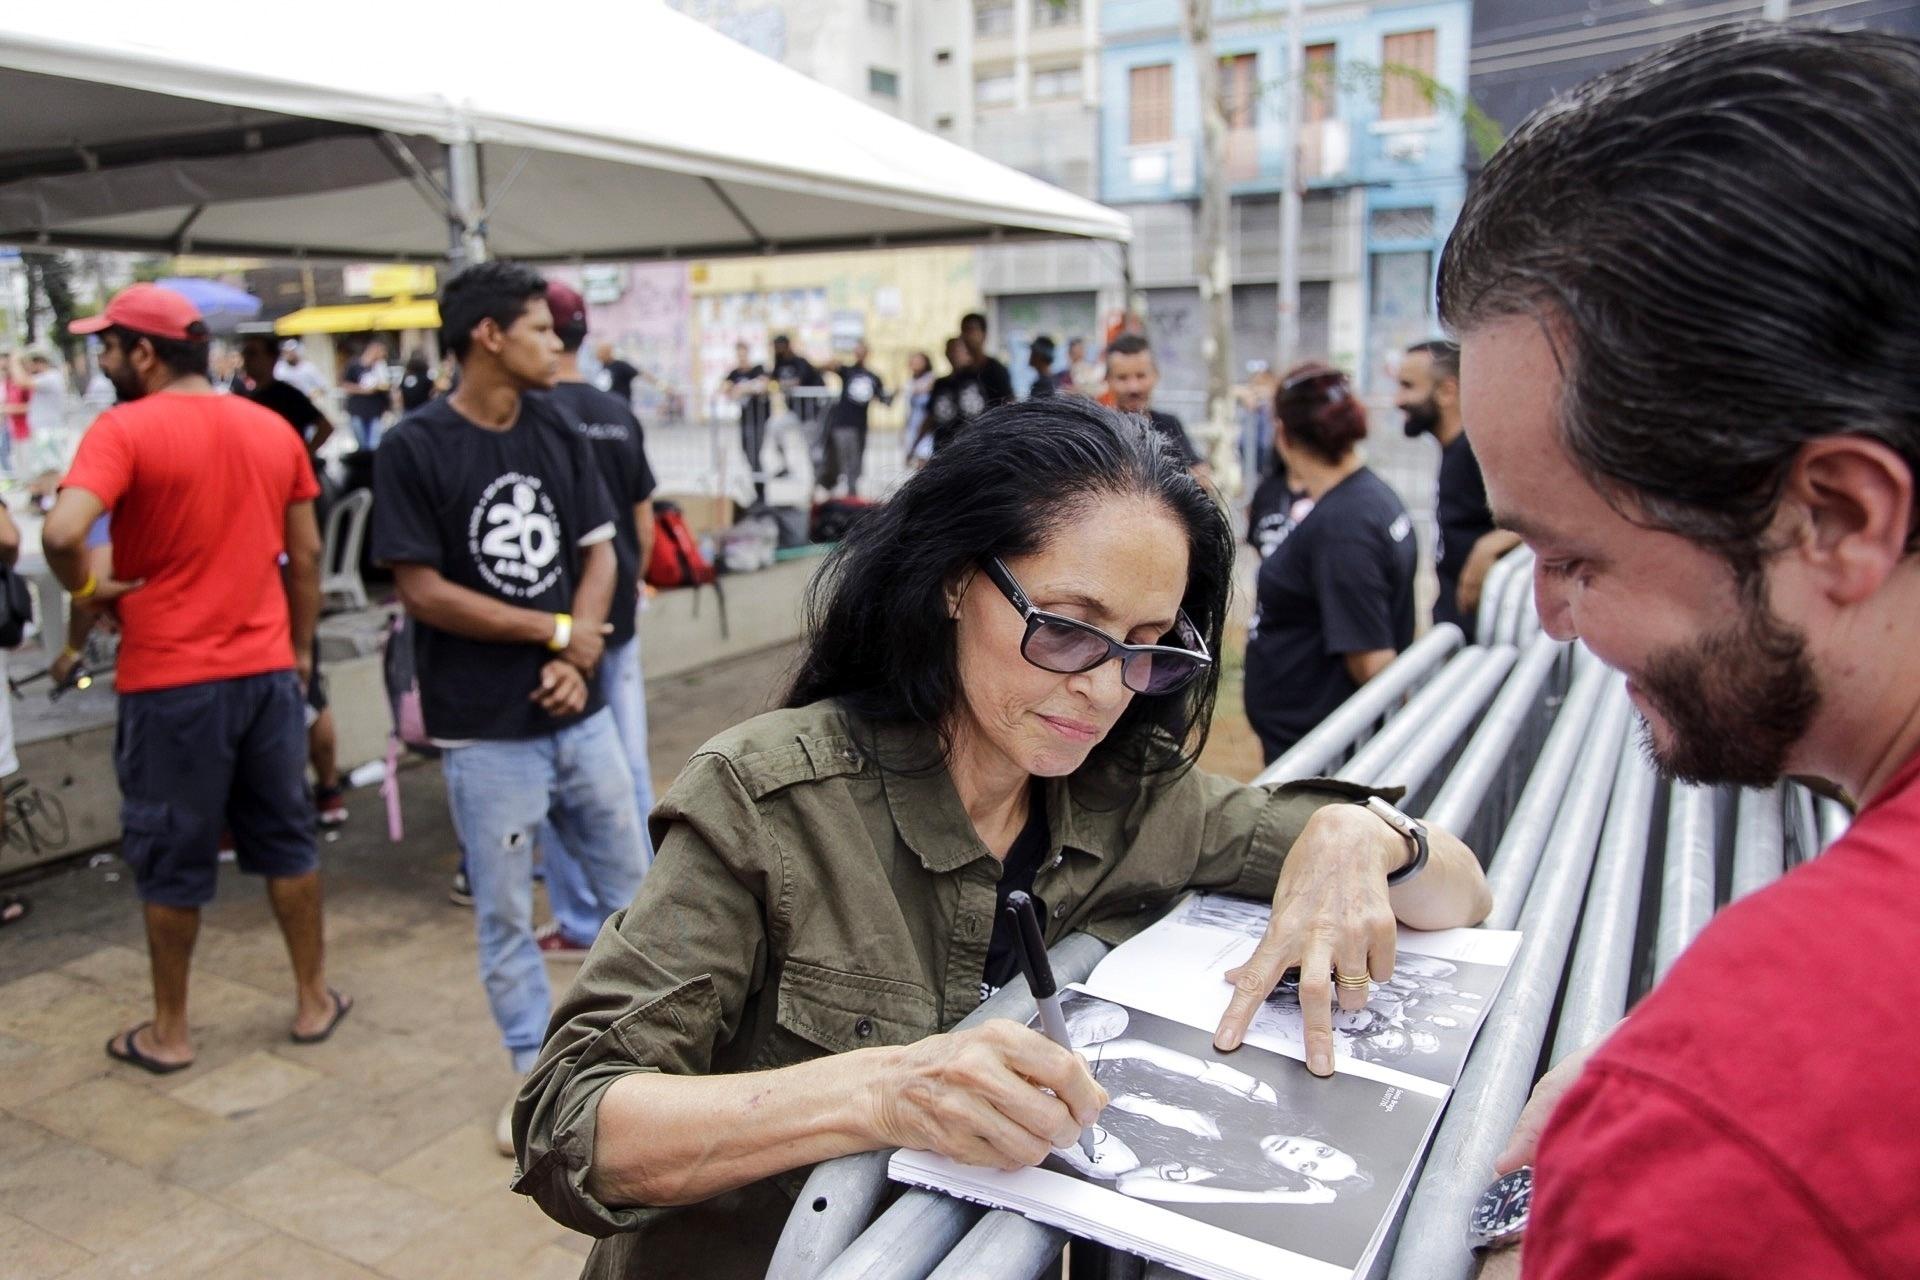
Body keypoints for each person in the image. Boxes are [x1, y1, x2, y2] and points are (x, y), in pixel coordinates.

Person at [511, 397, 1490, 1277]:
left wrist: (1360, 837)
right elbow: (567, 1121)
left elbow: (1462, 891)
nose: (1107, 688)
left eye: (1150, 646)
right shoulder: (769, 800)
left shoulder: (1135, 797)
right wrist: (884, 1089)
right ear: (950, 582)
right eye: (1068, 628)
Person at [1435, 24, 1920, 1280]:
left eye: (1576, 557)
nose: (1545, 614)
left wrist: (1597, 1180)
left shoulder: (1746, 1114)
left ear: (1840, 517)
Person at [371, 262, 647, 1155]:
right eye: (539, 328)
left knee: (638, 896)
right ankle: (537, 1086)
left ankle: (644, 1065)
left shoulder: (560, 426)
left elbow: (603, 551)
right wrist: (556, 629)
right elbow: (422, 589)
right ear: (487, 335)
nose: (556, 343)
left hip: (582, 713)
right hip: (486, 733)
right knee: (504, 918)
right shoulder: (415, 447)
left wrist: (583, 646)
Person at [44, 282, 340, 1073]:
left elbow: (64, 529)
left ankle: (170, 1032)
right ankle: (313, 1000)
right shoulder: (272, 427)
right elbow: (305, 557)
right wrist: (300, 652)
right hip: (268, 676)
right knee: (288, 842)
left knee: (171, 856)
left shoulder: (123, 428)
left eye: (107, 346)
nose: (103, 360)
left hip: (169, 683)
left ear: (144, 353)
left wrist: (83, 589)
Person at [532, 281, 660, 959]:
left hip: (561, 621)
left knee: (567, 772)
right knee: (629, 763)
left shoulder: (533, 415)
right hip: (617, 611)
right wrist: (630, 584)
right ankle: (649, 899)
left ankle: (584, 919)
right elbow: (641, 513)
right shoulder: (615, 411)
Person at [1243, 365, 1416, 763]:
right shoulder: (1369, 497)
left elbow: (1373, 661)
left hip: (1328, 756)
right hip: (1315, 746)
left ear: (1283, 435)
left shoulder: (1344, 525)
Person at [239, 334, 346, 827]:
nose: (246, 362)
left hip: (279, 606)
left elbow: (306, 558)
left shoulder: (278, 399)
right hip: (265, 616)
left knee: (308, 690)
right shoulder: (248, 403)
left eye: (253, 353)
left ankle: (325, 792)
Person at [1396, 340, 1518, 636]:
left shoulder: (1479, 453)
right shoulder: (1454, 450)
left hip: (1486, 640)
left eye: (1408, 386)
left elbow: (1553, 515)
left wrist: (1490, 545)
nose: (1397, 400)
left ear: (1447, 391)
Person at [1105, 333, 1210, 484]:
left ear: (1155, 375)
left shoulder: (1169, 424)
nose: (1133, 387)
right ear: (1108, 380)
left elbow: (1201, 476)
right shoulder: (1099, 430)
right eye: (1122, 378)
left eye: (1141, 376)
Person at [818, 341, 890, 496]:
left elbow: (883, 398)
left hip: (859, 424)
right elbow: (827, 366)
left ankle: (851, 491)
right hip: (842, 422)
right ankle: (831, 485)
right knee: (839, 458)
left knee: (855, 459)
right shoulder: (848, 371)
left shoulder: (873, 377)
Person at [721, 342, 779, 500]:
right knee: (748, 453)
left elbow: (763, 385)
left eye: (743, 353)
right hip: (745, 419)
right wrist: (739, 389)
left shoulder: (757, 369)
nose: (741, 357)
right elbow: (725, 389)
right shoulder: (734, 373)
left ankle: (761, 493)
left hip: (759, 418)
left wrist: (742, 389)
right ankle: (758, 491)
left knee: (755, 454)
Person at [770, 334, 828, 482]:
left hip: (809, 414)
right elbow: (772, 380)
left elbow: (798, 381)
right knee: (774, 428)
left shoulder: (800, 362)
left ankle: (818, 480)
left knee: (813, 450)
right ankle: (785, 467)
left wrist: (783, 385)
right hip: (794, 412)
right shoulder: (779, 363)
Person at [928, 336, 984, 453]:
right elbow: (931, 416)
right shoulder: (941, 383)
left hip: (974, 445)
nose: (953, 354)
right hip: (944, 446)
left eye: (958, 350)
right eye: (950, 350)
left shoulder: (979, 378)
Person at [340, 338, 392, 448]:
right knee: (362, 443)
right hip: (357, 409)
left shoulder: (379, 367)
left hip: (375, 410)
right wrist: (363, 390)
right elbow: (345, 385)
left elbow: (386, 386)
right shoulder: (354, 365)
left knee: (373, 444)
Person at [959, 311, 1015, 407]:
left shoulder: (997, 370)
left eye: (971, 330)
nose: (967, 336)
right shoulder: (962, 373)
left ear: (984, 334)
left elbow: (1008, 403)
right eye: (964, 331)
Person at [902, 350, 936, 465]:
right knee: (916, 462)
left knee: (924, 460)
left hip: (926, 427)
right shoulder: (910, 381)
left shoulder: (930, 379)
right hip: (913, 426)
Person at [595, 340, 641, 407]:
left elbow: (638, 373)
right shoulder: (603, 367)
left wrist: (657, 383)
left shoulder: (620, 365)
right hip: (607, 402)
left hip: (621, 402)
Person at [1066, 335, 1105, 401]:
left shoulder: (1086, 367)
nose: (1082, 351)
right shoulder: (1067, 371)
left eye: (1082, 348)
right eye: (1080, 348)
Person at [1026, 334, 1059, 399]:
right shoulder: (1054, 379)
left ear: (1038, 356)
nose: (1030, 356)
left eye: (1033, 353)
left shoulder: (1042, 384)